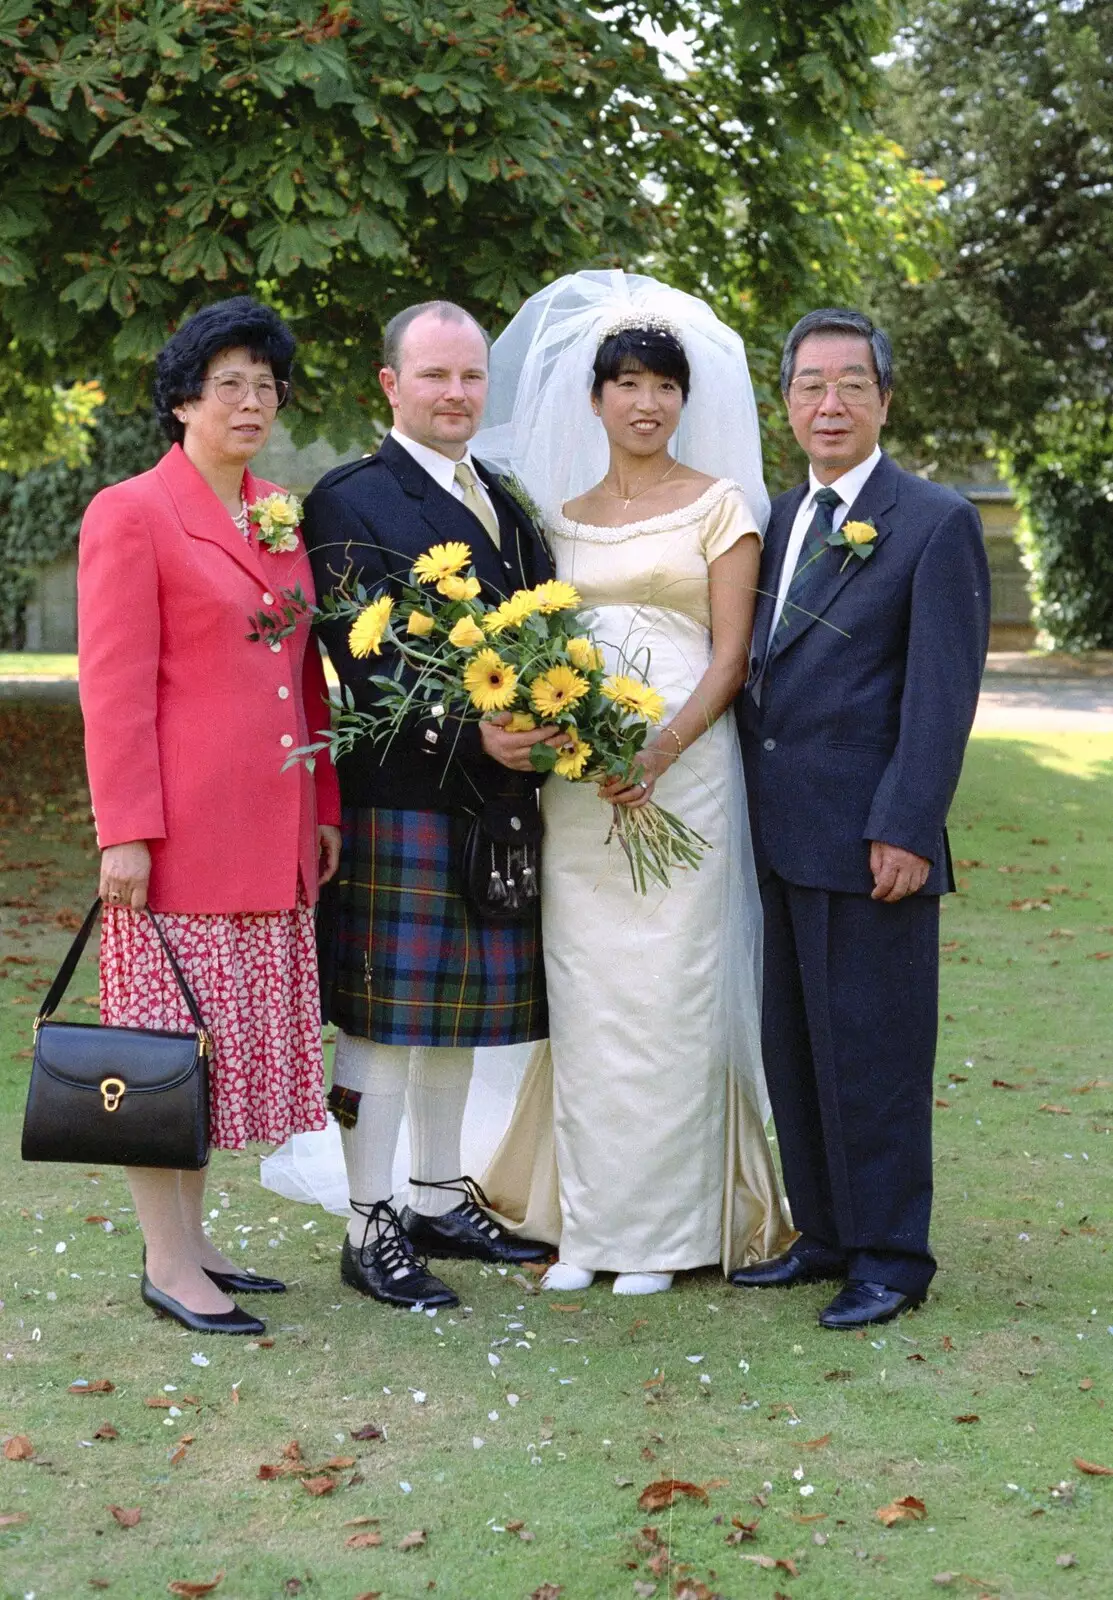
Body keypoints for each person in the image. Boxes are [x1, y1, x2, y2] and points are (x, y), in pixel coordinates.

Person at [475, 270, 794, 1294]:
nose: (646, 402)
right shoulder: (556, 517)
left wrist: (657, 752)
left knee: (669, 994)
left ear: (684, 399)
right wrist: (560, 732)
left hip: (683, 776)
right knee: (590, 990)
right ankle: (589, 1229)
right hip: (583, 785)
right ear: (597, 397)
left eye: (664, 385)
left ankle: (662, 1234)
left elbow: (732, 656)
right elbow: (539, 643)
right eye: (628, 384)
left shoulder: (722, 507)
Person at [77, 295, 342, 1336]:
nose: (250, 401)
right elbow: (113, 685)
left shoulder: (278, 508)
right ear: (183, 398)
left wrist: (320, 800)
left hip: (272, 833)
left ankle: (195, 1242)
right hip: (179, 839)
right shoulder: (130, 512)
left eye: (265, 385)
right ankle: (166, 1262)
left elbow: (303, 676)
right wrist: (124, 830)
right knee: (162, 1055)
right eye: (227, 383)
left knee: (217, 1055)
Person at [733, 308, 990, 1329]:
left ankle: (891, 1255)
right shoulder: (781, 511)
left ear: (885, 398)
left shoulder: (933, 520)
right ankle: (828, 1234)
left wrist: (907, 826)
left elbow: (940, 697)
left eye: (850, 383)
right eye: (809, 384)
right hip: (779, 835)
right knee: (796, 1048)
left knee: (876, 1055)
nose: (828, 403)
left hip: (870, 838)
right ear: (786, 400)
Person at [302, 300, 555, 1311]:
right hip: (403, 796)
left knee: (452, 1020)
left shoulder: (506, 500)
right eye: (436, 375)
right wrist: (468, 729)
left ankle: (440, 1199)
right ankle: (370, 1225)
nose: (456, 394)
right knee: (383, 1019)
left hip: (492, 803)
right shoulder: (349, 498)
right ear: (390, 385)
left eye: (470, 377)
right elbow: (358, 659)